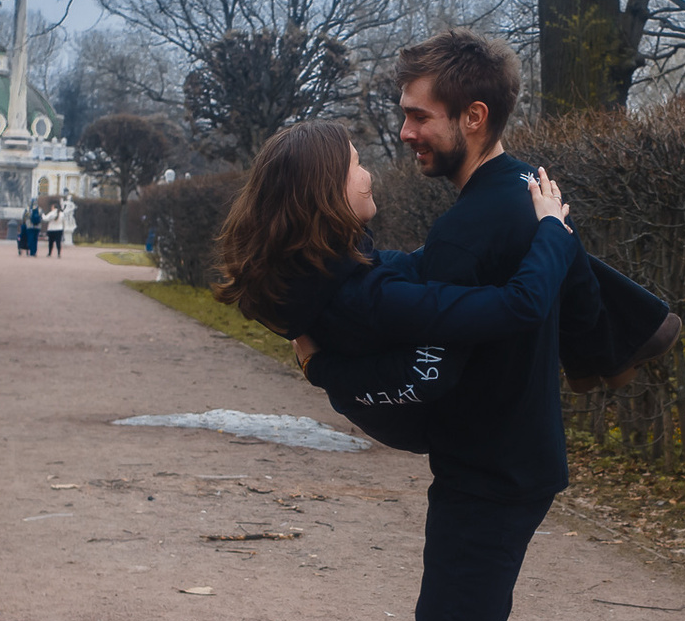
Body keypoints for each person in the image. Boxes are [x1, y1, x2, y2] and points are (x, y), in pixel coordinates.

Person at [294, 30, 674, 621]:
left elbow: (429, 327)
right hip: (496, 463)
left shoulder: (492, 215)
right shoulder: (505, 200)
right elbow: (541, 307)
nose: (406, 133)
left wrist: (333, 364)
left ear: (474, 118)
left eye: (420, 116)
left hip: (495, 473)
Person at [214, 123, 579, 458]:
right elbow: (521, 305)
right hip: (474, 449)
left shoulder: (310, 275)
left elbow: (408, 265)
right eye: (357, 165)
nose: (368, 174)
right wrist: (550, 229)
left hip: (424, 431)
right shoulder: (370, 297)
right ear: (324, 191)